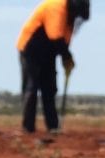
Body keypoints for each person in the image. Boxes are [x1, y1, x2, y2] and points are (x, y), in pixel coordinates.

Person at [18, 0, 90, 133]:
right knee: (32, 86)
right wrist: (67, 56)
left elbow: (64, 41)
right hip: (30, 48)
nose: (77, 19)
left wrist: (66, 59)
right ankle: (28, 128)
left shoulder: (70, 17)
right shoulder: (56, 7)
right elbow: (55, 36)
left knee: (50, 88)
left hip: (48, 52)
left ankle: (53, 127)